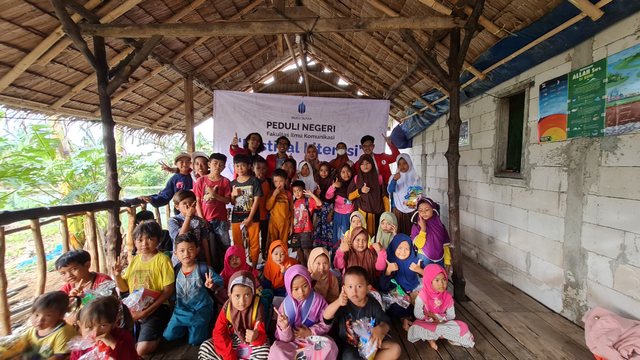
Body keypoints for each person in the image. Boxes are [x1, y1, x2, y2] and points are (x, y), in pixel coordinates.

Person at [112, 221, 175, 355]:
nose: (144, 244)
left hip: (156, 308)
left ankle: (158, 334)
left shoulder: (162, 260)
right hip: (134, 308)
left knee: (141, 351)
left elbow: (168, 291)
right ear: (134, 242)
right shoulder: (135, 260)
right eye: (139, 240)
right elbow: (124, 289)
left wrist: (145, 313)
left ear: (159, 240)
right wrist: (117, 276)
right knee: (116, 342)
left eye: (150, 239)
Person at [323, 266, 401, 360]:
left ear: (368, 288)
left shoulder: (373, 303)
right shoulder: (342, 304)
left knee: (395, 349)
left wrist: (380, 329)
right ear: (344, 288)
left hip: (370, 345)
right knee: (350, 356)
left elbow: (386, 323)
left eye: (359, 286)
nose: (354, 291)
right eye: (350, 287)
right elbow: (326, 317)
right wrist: (338, 302)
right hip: (349, 347)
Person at [164, 234, 223, 345]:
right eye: (182, 251)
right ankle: (187, 327)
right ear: (175, 253)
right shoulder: (175, 271)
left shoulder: (204, 269)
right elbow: (172, 294)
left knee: (195, 340)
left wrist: (212, 285)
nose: (186, 254)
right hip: (181, 310)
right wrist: (171, 313)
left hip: (201, 309)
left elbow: (220, 282)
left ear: (197, 250)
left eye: (190, 249)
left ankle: (197, 326)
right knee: (169, 336)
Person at [269, 265, 338, 360]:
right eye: (296, 289)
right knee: (276, 351)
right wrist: (284, 327)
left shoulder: (318, 300)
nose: (301, 292)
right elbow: (284, 339)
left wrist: (310, 332)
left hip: (312, 340)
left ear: (309, 283)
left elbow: (326, 323)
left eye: (305, 286)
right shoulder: (284, 306)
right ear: (289, 289)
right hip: (291, 343)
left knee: (330, 346)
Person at [198, 271, 270, 360]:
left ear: (253, 294)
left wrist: (256, 337)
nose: (242, 301)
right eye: (237, 296)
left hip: (250, 341)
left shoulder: (257, 306)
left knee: (265, 351)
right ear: (230, 295)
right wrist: (228, 356)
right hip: (232, 339)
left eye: (247, 295)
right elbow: (219, 332)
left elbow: (261, 334)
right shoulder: (227, 307)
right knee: (205, 347)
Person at [408, 264, 475, 350]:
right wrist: (432, 320)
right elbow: (417, 313)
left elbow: (451, 316)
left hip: (442, 323)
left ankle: (432, 337)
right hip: (427, 322)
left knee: (463, 326)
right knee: (416, 326)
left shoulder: (447, 297)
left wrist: (438, 319)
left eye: (444, 280)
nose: (441, 284)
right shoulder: (423, 295)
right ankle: (439, 337)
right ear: (429, 281)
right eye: (437, 280)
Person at [70, 296, 138, 360]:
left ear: (115, 322)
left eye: (103, 326)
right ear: (80, 326)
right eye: (89, 328)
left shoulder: (122, 337)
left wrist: (113, 344)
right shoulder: (80, 348)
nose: (96, 333)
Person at [379, 234, 422, 331]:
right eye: (400, 248)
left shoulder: (416, 262)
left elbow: (430, 278)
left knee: (426, 302)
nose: (403, 251)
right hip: (398, 296)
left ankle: (407, 319)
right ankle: (408, 318)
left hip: (415, 293)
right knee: (392, 307)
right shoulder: (389, 262)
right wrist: (388, 272)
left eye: (407, 249)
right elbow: (384, 287)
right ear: (394, 247)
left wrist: (420, 271)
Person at [20, 291, 76, 359]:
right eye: (36, 315)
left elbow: (60, 357)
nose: (40, 320)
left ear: (61, 315)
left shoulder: (64, 332)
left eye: (48, 315)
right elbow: (18, 343)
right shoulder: (33, 330)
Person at [230, 154, 263, 267]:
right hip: (236, 218)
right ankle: (241, 266)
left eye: (243, 165)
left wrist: (249, 218)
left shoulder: (254, 181)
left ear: (249, 166)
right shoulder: (233, 183)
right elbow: (231, 202)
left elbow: (257, 200)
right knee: (238, 244)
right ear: (234, 167)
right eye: (237, 166)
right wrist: (232, 195)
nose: (240, 168)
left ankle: (253, 267)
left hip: (252, 217)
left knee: (254, 243)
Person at [194, 153, 232, 249]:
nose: (218, 166)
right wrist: (202, 218)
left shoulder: (225, 181)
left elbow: (227, 200)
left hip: (221, 220)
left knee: (224, 246)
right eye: (215, 163)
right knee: (206, 246)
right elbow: (197, 201)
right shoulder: (201, 181)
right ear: (209, 164)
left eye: (221, 164)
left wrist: (214, 194)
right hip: (205, 219)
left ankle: (224, 264)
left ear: (224, 167)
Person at [348, 154, 389, 238]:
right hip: (362, 214)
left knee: (377, 238)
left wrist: (386, 214)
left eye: (368, 163)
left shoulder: (379, 178)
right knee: (362, 237)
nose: (365, 166)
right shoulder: (356, 178)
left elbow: (385, 197)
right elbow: (350, 196)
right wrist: (360, 191)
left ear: (372, 164)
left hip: (377, 213)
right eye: (362, 164)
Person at [168, 190, 210, 266]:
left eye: (191, 202)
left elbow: (204, 241)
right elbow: (180, 237)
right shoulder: (173, 221)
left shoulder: (200, 221)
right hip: (179, 261)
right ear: (177, 207)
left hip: (198, 259)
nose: (188, 206)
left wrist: (208, 261)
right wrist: (188, 216)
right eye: (184, 203)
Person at [411, 199, 450, 270]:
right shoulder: (416, 227)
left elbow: (445, 245)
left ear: (433, 209)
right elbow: (419, 245)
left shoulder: (440, 226)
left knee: (439, 280)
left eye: (427, 210)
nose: (423, 213)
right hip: (424, 258)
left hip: (440, 259)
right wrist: (423, 228)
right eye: (420, 210)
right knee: (426, 279)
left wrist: (447, 263)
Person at [388, 154, 422, 235]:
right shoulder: (393, 177)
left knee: (412, 232)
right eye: (399, 164)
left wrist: (408, 205)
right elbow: (390, 190)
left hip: (412, 210)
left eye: (404, 163)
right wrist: (394, 180)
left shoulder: (416, 178)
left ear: (409, 163)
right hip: (397, 209)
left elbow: (419, 195)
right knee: (398, 231)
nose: (402, 166)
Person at [326, 163, 354, 261]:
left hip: (350, 217)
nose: (346, 174)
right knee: (338, 239)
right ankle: (337, 262)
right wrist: (333, 186)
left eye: (348, 171)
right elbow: (328, 196)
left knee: (350, 239)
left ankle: (348, 262)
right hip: (338, 217)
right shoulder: (337, 184)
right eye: (343, 172)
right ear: (339, 174)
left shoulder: (354, 184)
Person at [290, 180, 322, 265]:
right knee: (298, 249)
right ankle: (303, 267)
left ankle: (310, 267)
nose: (296, 193)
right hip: (295, 231)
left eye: (299, 190)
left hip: (306, 230)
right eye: (294, 191)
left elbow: (319, 203)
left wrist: (311, 194)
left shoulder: (309, 201)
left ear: (304, 190)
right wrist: (290, 227)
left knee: (307, 250)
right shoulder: (292, 203)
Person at [266, 169, 293, 246]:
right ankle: (271, 258)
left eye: (281, 181)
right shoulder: (271, 193)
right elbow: (268, 207)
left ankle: (284, 258)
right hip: (273, 222)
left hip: (285, 222)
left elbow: (291, 210)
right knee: (272, 244)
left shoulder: (288, 194)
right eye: (275, 182)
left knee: (284, 244)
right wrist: (274, 195)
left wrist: (291, 225)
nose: (278, 184)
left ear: (285, 181)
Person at [253, 157, 272, 262]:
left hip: (266, 215)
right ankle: (253, 255)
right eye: (258, 168)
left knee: (265, 237)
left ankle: (264, 254)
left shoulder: (269, 181)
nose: (261, 170)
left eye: (264, 168)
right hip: (254, 215)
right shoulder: (251, 181)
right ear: (253, 169)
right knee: (254, 238)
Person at [314, 162, 334, 251]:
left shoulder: (332, 182)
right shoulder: (317, 183)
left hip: (329, 210)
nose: (323, 173)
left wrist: (331, 212)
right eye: (321, 170)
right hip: (319, 211)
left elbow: (336, 199)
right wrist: (317, 194)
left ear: (329, 171)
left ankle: (328, 253)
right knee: (319, 230)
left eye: (326, 170)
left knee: (328, 231)